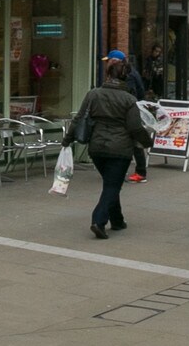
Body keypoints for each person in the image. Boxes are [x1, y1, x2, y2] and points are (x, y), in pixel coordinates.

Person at [63, 56, 151, 241]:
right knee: (112, 185)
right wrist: (148, 142)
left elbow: (79, 119)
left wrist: (68, 139)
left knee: (111, 183)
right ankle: (99, 220)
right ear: (125, 78)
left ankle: (117, 220)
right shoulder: (129, 99)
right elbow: (135, 127)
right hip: (119, 149)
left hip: (96, 147)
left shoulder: (93, 94)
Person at [106, 50, 150, 182]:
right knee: (131, 140)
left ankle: (140, 172)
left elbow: (131, 93)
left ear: (115, 61)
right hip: (131, 109)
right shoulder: (131, 72)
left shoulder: (127, 75)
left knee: (133, 141)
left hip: (128, 111)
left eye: (109, 60)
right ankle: (136, 171)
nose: (107, 63)